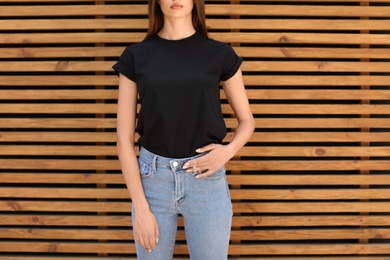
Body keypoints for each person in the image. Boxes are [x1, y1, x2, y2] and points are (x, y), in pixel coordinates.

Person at [113, 0, 255, 259]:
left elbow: (247, 120)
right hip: (152, 180)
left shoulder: (219, 54)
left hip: (206, 179)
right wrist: (141, 208)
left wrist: (228, 151)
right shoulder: (135, 56)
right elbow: (123, 139)